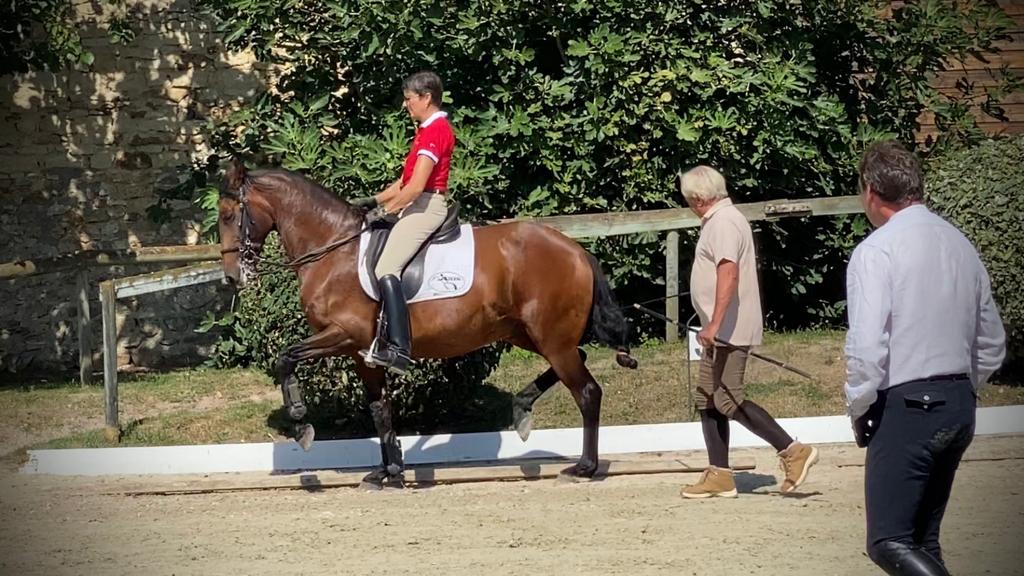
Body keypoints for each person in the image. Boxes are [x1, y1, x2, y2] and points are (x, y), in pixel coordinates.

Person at [846, 141, 1006, 575]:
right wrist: (966, 387)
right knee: (923, 540)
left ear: (871, 192)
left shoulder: (877, 250)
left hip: (909, 404)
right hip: (957, 402)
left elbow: (866, 347)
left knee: (889, 542)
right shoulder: (959, 243)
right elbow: (990, 338)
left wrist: (860, 406)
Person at [678, 165, 819, 499]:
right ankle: (720, 475)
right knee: (707, 398)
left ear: (698, 198)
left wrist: (713, 323)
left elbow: (729, 275)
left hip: (729, 329)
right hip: (720, 327)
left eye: (688, 199)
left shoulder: (724, 223)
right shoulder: (720, 220)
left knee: (726, 397)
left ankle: (793, 451)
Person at [358, 71, 455, 375]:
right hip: (416, 202)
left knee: (386, 267)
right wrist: (371, 202)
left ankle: (400, 349)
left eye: (409, 98)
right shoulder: (425, 130)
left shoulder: (436, 131)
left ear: (426, 98)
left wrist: (385, 213)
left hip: (427, 206)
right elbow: (403, 183)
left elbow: (415, 189)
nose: (405, 104)